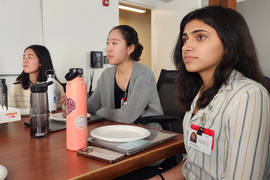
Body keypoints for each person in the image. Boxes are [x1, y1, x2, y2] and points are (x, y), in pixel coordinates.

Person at [147, 6, 270, 180]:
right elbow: (195, 165)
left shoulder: (248, 95)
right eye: (185, 39)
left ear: (229, 44)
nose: (186, 47)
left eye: (200, 37)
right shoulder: (199, 92)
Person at [61, 25, 163, 129]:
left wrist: (102, 112)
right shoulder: (106, 75)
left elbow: (128, 117)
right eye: (107, 43)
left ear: (130, 48)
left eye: (114, 43)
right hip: (116, 131)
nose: (108, 49)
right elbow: (91, 107)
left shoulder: (144, 74)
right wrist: (75, 103)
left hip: (147, 134)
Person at [8, 45, 65, 110]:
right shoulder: (15, 87)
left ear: (41, 62)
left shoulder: (54, 85)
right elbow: (9, 114)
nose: (24, 61)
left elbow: (64, 112)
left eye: (29, 57)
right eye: (24, 57)